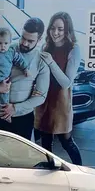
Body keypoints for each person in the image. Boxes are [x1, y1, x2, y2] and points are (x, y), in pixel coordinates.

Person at [0, 17, 50, 140]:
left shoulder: (41, 61)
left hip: (23, 117)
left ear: (39, 40)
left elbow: (41, 96)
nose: (24, 43)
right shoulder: (3, 48)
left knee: (20, 157)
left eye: (30, 41)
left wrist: (15, 109)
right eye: (23, 37)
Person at [34, 12, 82, 165]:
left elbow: (66, 82)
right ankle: (51, 169)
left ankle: (81, 171)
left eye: (60, 29)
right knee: (45, 141)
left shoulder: (74, 49)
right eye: (53, 28)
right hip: (44, 100)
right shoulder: (46, 46)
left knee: (66, 141)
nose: (56, 33)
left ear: (67, 30)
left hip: (61, 102)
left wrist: (50, 62)